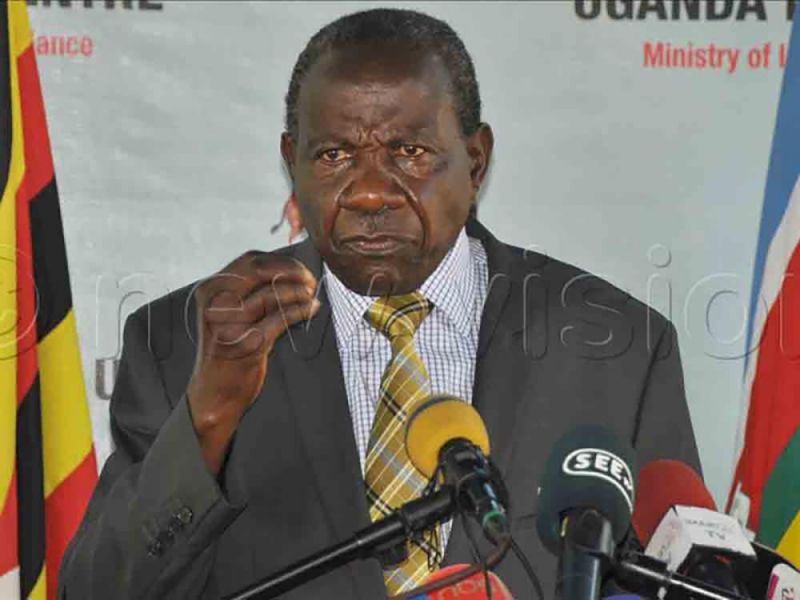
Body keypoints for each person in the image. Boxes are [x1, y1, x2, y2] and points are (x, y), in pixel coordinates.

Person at [59, 8, 700, 599]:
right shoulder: (182, 345)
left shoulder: (614, 349)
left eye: (409, 152)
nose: (369, 193)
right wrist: (208, 418)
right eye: (334, 155)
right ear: (292, 162)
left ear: (476, 162)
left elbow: (682, 581)